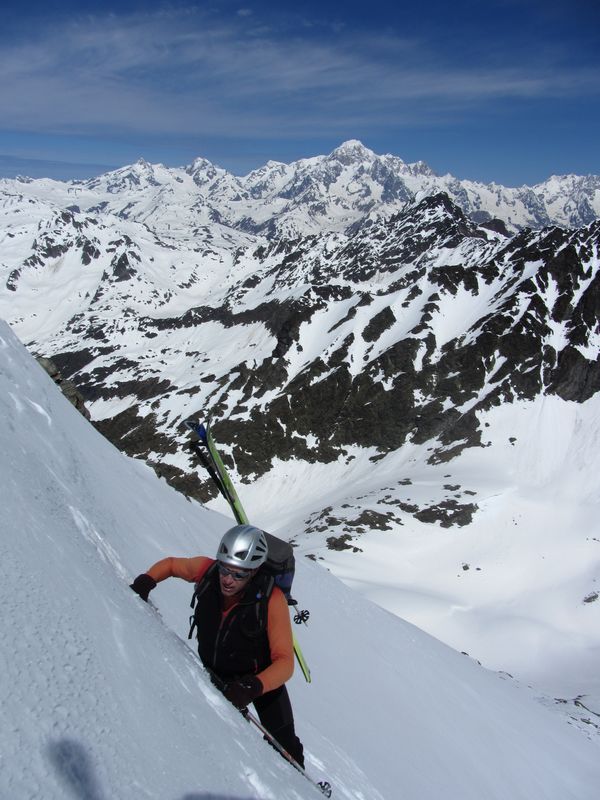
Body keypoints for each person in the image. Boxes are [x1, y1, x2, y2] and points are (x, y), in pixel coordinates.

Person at [130, 524, 304, 767]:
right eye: (225, 569)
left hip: (261, 681)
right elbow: (171, 565)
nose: (228, 580)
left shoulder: (271, 600)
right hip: (217, 672)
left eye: (238, 574)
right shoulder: (208, 570)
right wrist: (148, 579)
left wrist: (253, 686)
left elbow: (285, 662)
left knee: (287, 749)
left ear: (253, 572)